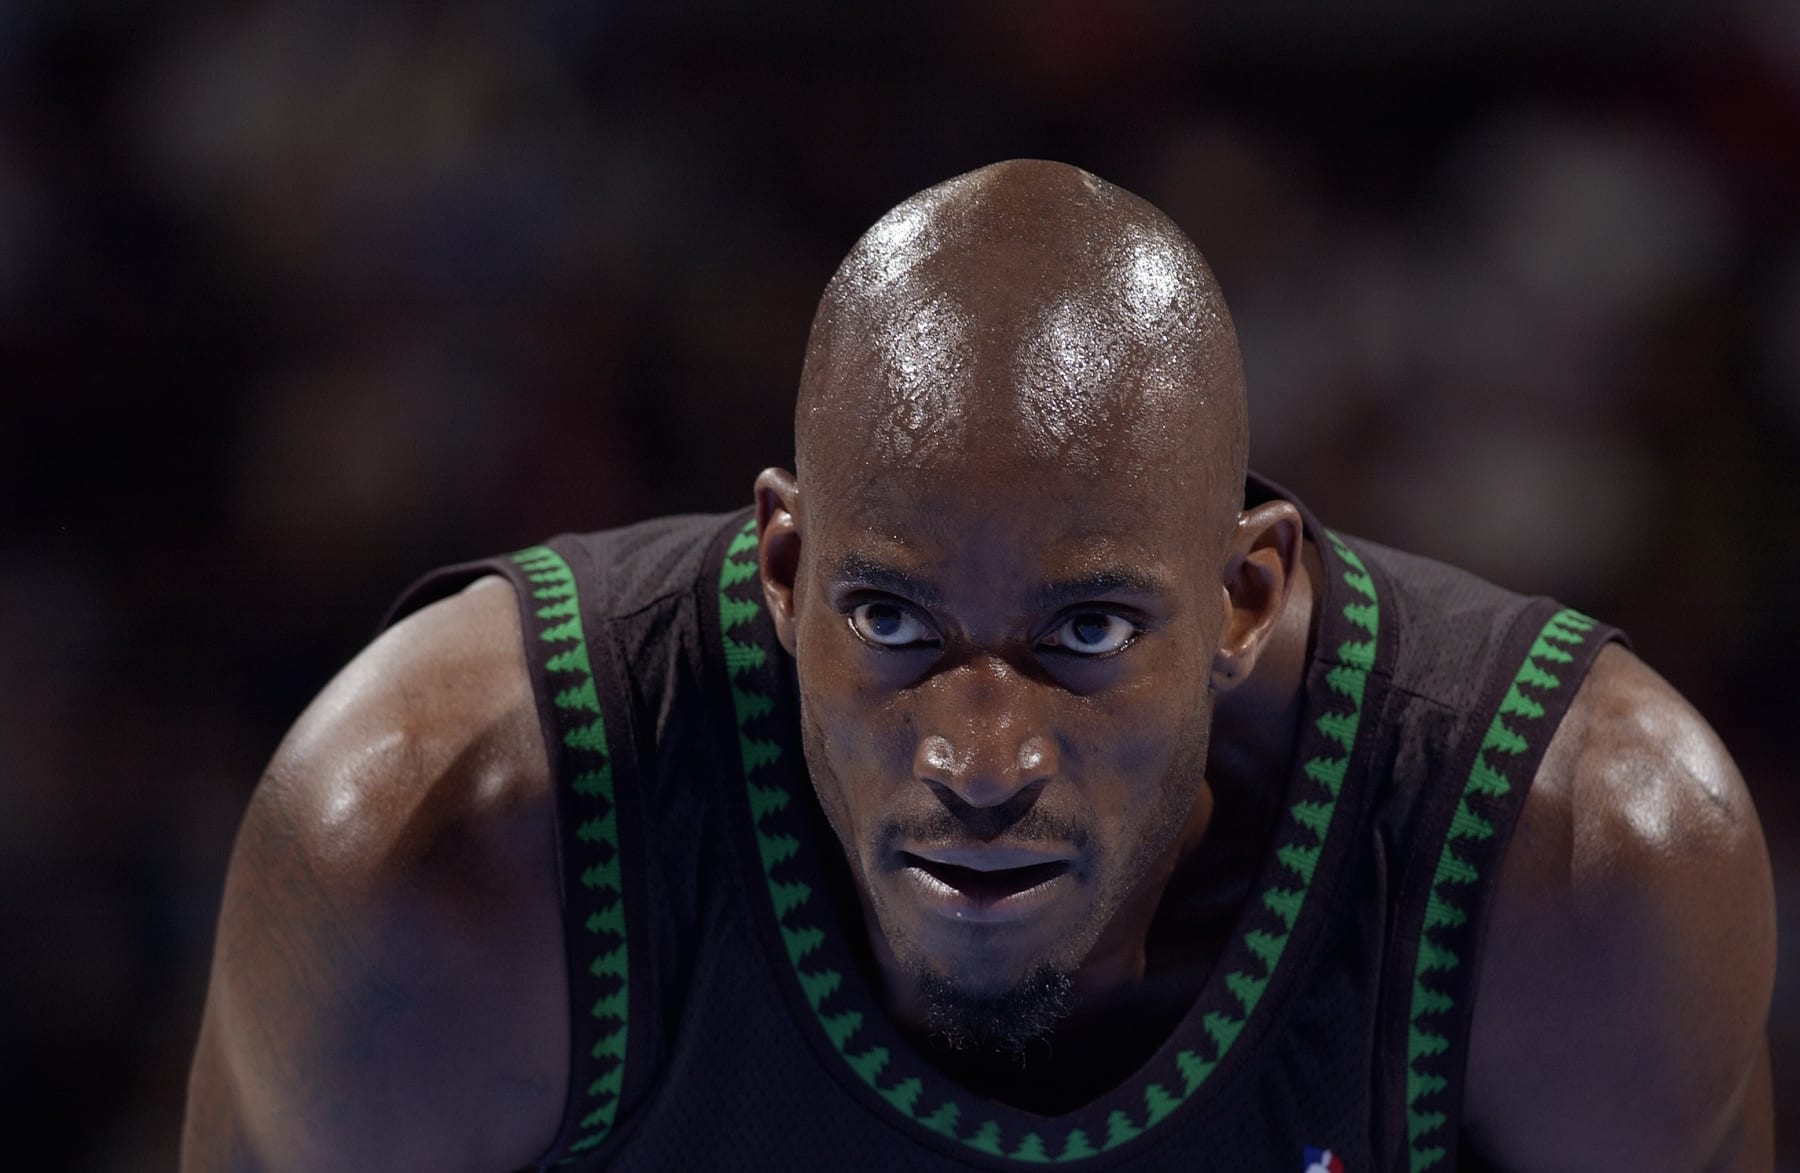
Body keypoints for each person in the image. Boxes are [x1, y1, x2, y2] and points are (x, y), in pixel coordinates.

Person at [181, 160, 1776, 1171]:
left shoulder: (1580, 865)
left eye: (1083, 632)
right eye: (893, 625)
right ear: (786, 570)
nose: (983, 751)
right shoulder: (433, 844)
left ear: (1244, 593)